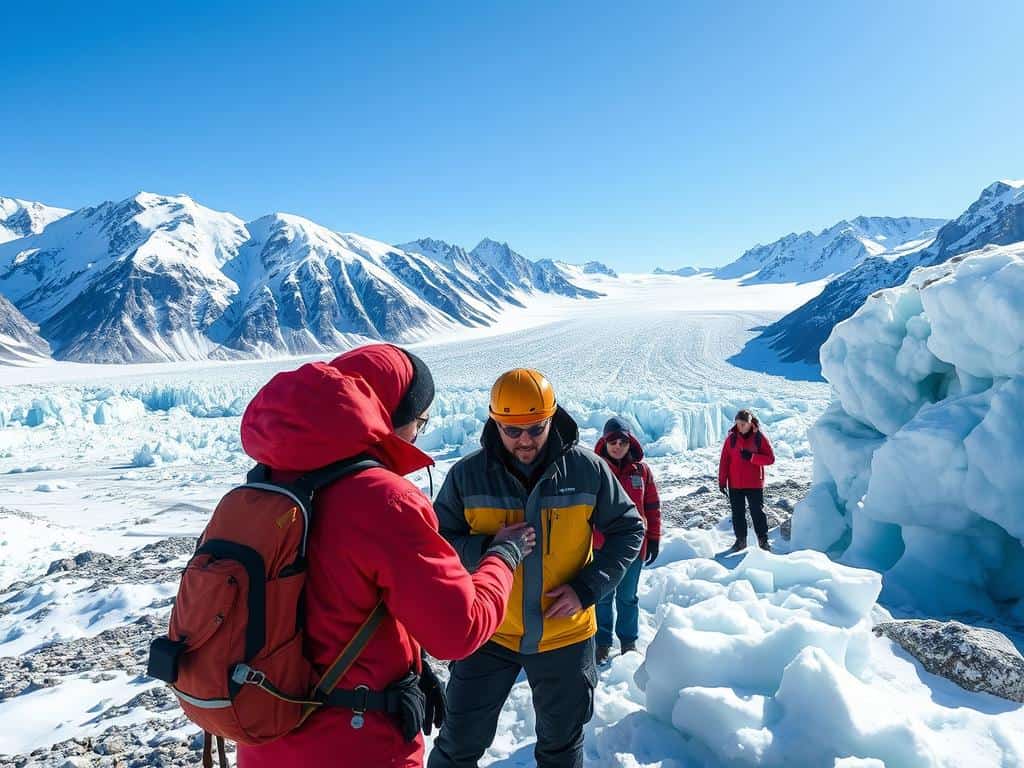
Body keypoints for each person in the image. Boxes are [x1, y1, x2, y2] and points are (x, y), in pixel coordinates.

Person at [236, 344, 534, 768]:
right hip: (356, 745)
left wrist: (408, 661)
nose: (417, 433)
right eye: (419, 420)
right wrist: (503, 556)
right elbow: (459, 630)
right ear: (390, 416)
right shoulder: (382, 499)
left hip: (264, 734)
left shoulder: (264, 485)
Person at [429, 369, 645, 768]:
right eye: (512, 431)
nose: (524, 439)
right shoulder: (467, 475)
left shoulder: (587, 469)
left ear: (551, 418)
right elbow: (438, 541)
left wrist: (587, 588)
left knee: (561, 749)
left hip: (565, 637)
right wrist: (486, 549)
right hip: (488, 633)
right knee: (456, 747)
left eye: (535, 427)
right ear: (495, 422)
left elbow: (630, 528)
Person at [592, 417, 661, 665]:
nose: (618, 446)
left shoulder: (641, 471)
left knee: (628, 597)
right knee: (602, 596)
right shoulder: (595, 469)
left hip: (634, 547)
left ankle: (628, 641)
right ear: (605, 441)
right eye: (613, 441)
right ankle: (602, 642)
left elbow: (652, 506)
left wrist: (653, 538)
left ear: (629, 442)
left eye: (622, 441)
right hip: (602, 546)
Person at [718, 409, 776, 553]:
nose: (740, 427)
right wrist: (721, 481)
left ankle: (763, 542)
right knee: (737, 514)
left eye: (743, 424)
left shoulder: (759, 438)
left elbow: (770, 459)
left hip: (754, 483)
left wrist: (752, 457)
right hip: (734, 484)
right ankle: (740, 542)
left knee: (757, 513)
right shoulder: (731, 439)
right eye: (738, 424)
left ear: (750, 423)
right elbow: (724, 461)